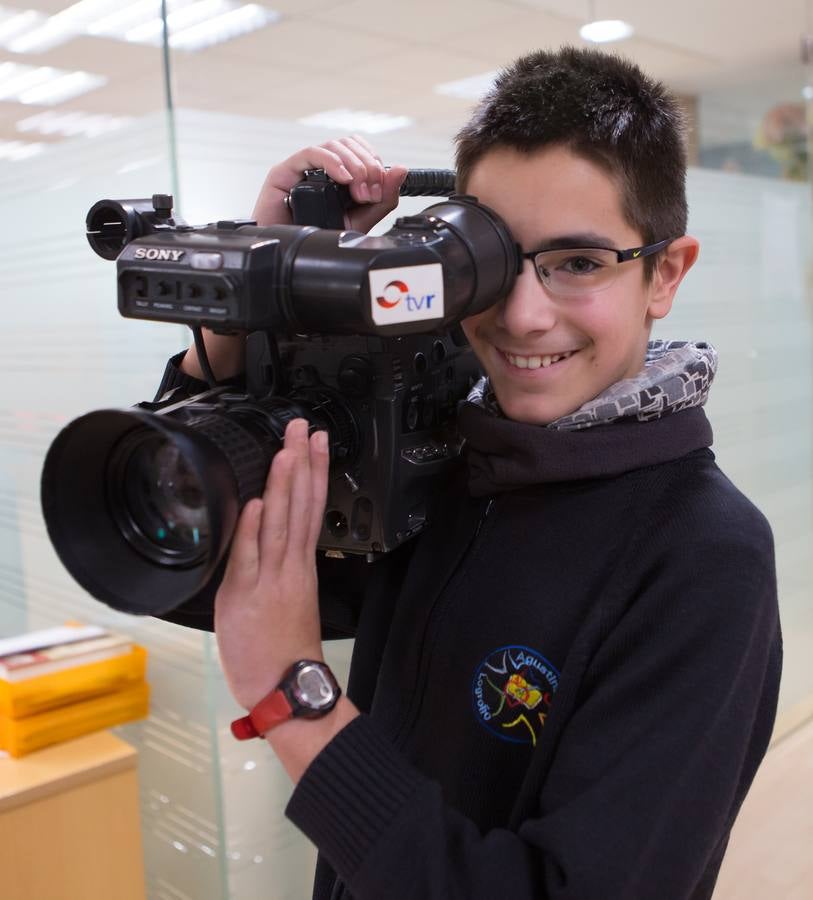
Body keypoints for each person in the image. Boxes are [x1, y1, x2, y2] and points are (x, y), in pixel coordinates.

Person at [153, 47, 782, 900]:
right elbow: (190, 571)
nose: (523, 316)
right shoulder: (448, 454)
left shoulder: (706, 557)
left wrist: (296, 704)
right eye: (491, 262)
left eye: (579, 262)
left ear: (663, 273)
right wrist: (262, 285)